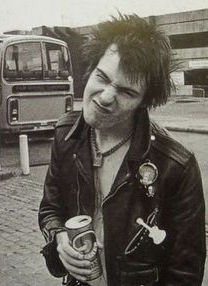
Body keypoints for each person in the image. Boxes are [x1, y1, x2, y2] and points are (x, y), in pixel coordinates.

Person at [38, 14, 206, 286]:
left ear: (143, 102)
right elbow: (50, 207)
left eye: (126, 92)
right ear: (91, 69)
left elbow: (185, 273)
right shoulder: (66, 135)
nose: (105, 97)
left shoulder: (176, 166)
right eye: (102, 77)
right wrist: (58, 237)